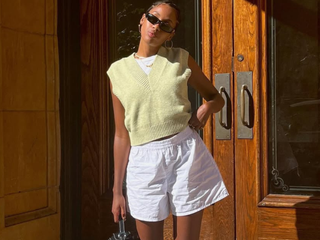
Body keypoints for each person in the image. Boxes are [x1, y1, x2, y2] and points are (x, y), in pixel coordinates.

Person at [107, 1, 229, 239]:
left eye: (165, 25)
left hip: (185, 154)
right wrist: (117, 191)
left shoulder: (180, 59)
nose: (156, 27)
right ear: (142, 20)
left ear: (171, 33)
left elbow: (217, 98)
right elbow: (122, 134)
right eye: (152, 19)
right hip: (143, 161)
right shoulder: (117, 72)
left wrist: (205, 109)